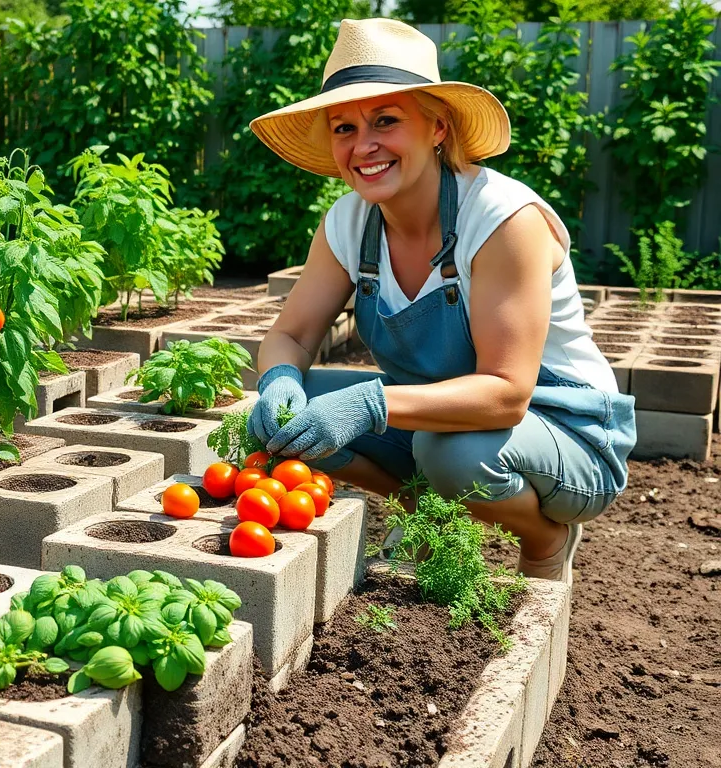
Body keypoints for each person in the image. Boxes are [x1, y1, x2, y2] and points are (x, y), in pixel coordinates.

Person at [243, 18, 635, 583]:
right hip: (443, 417)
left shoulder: (503, 220)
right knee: (279, 420)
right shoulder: (349, 223)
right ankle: (426, 515)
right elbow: (294, 334)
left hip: (566, 433)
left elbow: (505, 395)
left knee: (452, 456)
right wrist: (280, 380)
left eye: (386, 120)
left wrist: (365, 406)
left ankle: (545, 536)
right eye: (344, 127)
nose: (364, 145)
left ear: (437, 127)